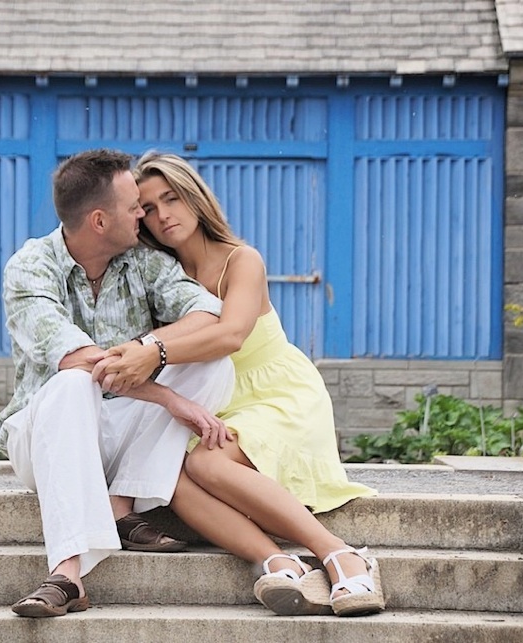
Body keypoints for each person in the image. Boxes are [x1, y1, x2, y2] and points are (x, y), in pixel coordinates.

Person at [93, 151, 384, 617]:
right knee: (171, 471)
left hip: (276, 397)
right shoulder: (159, 278)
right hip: (211, 400)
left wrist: (155, 350)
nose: (163, 214)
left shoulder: (241, 260)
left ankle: (339, 553)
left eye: (172, 198)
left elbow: (230, 335)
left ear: (196, 198)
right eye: (148, 207)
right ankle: (277, 559)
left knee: (204, 464)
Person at [0, 149, 237, 618]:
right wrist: (168, 397)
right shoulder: (30, 267)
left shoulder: (144, 263)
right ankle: (67, 574)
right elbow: (78, 360)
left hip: (120, 430)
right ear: (100, 221)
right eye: (134, 208)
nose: (144, 215)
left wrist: (151, 347)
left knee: (213, 365)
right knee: (71, 384)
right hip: (45, 435)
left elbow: (208, 312)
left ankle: (120, 503)